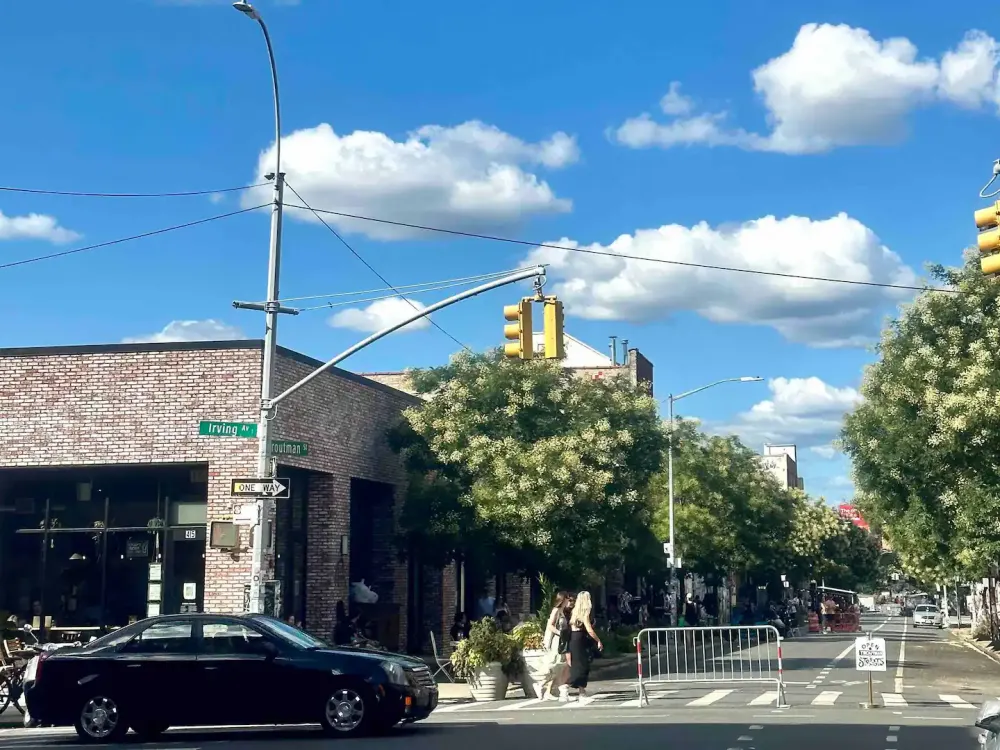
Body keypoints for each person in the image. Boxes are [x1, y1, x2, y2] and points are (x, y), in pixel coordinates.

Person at [567, 591, 603, 703]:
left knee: (577, 664)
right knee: (582, 665)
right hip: (580, 639)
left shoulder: (574, 612)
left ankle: (579, 690)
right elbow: (589, 630)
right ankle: (579, 691)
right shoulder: (584, 613)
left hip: (574, 638)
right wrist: (598, 641)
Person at [541, 592, 573, 702]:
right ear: (563, 599)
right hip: (556, 641)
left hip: (561, 641)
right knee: (557, 665)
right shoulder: (556, 610)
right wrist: (559, 633)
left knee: (560, 666)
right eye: (567, 598)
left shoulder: (563, 611)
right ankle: (541, 684)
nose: (569, 600)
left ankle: (548, 692)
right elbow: (550, 625)